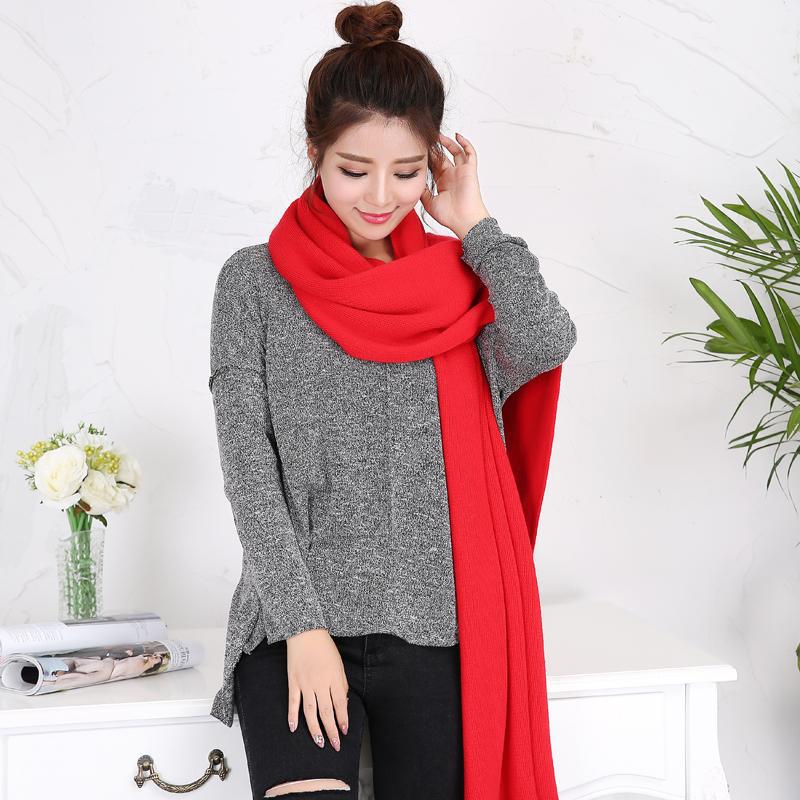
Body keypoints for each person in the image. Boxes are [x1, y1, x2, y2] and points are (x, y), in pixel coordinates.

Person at [207, 3, 578, 799]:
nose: (380, 196)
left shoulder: (459, 283)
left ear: (433, 164)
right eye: (354, 169)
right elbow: (249, 475)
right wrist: (304, 629)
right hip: (294, 622)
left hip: (437, 629)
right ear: (314, 151)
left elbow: (547, 340)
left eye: (407, 172)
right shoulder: (253, 284)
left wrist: (476, 225)